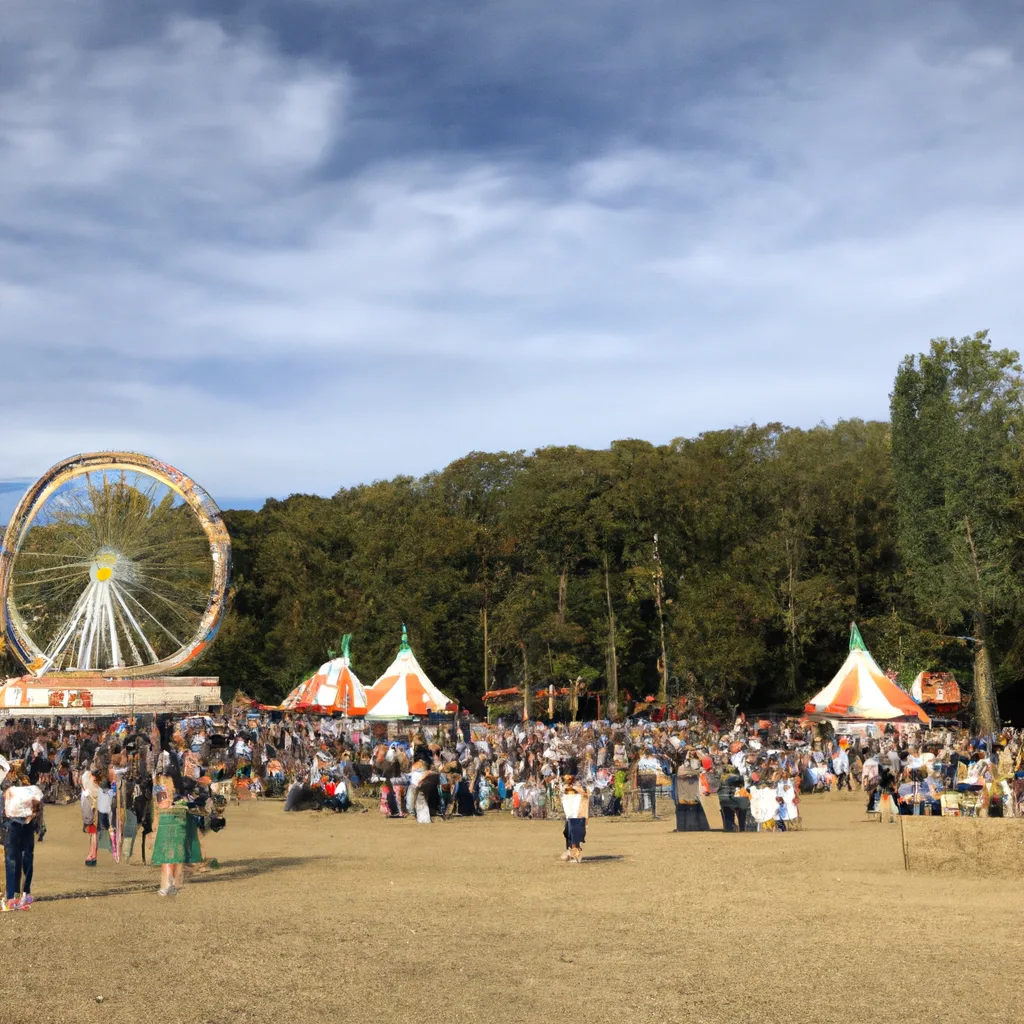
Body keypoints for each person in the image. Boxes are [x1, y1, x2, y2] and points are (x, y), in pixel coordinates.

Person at [3, 765, 45, 912]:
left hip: (11, 826)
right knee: (27, 860)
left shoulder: (5, 787)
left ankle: (13, 897)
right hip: (28, 825)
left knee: (13, 861)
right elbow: (39, 807)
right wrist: (38, 827)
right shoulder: (28, 785)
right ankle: (25, 895)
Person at [673, 759, 710, 832]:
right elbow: (681, 773)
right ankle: (683, 827)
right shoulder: (681, 768)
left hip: (693, 794)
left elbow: (702, 770)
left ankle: (695, 827)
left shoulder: (696, 767)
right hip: (684, 794)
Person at [559, 775, 589, 864]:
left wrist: (576, 788)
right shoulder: (565, 788)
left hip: (577, 814)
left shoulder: (579, 787)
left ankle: (576, 854)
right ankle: (569, 850)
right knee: (567, 832)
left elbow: (585, 795)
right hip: (570, 814)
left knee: (574, 833)